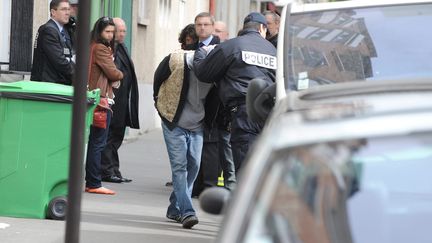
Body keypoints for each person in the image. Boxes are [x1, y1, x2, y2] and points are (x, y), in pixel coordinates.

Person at [193, 12, 277, 177]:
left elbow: (204, 73)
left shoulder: (232, 46)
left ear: (244, 28)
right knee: (263, 165)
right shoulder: (273, 50)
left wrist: (199, 56)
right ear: (262, 29)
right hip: (269, 113)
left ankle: (246, 201)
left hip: (243, 112)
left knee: (245, 167)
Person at [153, 23, 212, 229]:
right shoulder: (175, 59)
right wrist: (158, 103)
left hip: (197, 124)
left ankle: (174, 207)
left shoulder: (211, 63)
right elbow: (158, 79)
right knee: (180, 167)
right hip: (174, 122)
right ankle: (187, 211)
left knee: (194, 165)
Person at [85, 17, 123, 195]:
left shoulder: (93, 46)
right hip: (100, 100)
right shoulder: (100, 48)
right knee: (98, 143)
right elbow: (113, 73)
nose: (110, 35)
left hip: (95, 97)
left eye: (112, 32)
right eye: (107, 31)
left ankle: (92, 181)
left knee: (95, 141)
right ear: (99, 31)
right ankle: (94, 182)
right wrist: (120, 73)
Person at [101, 17, 140, 184]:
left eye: (124, 30)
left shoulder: (121, 47)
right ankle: (106, 171)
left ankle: (114, 169)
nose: (122, 33)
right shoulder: (109, 49)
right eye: (119, 30)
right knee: (109, 136)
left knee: (116, 135)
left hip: (123, 100)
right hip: (113, 99)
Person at [191, 13, 223, 197]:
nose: (202, 28)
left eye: (205, 25)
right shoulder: (193, 47)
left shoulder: (219, 47)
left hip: (212, 104)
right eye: (198, 25)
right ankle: (196, 185)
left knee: (210, 145)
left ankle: (208, 186)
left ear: (212, 27)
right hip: (193, 103)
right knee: (195, 144)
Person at [31, 0, 75, 85]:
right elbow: (60, 61)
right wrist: (77, 74)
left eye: (69, 9)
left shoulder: (65, 29)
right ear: (53, 12)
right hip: (48, 84)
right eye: (63, 9)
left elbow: (71, 53)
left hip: (59, 83)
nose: (67, 13)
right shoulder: (49, 30)